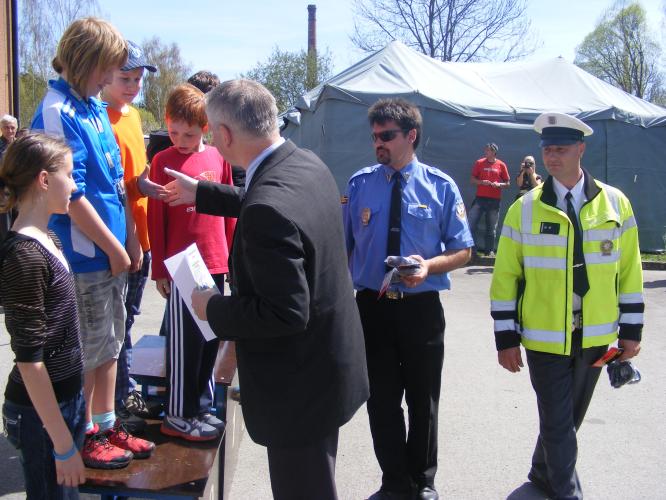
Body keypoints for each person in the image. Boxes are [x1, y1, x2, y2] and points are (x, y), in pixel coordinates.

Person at [162, 79, 369, 500]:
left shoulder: (267, 208)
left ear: (223, 135)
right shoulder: (307, 163)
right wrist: (202, 193)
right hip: (325, 368)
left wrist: (212, 307)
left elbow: (284, 312)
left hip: (297, 387)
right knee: (316, 481)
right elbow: (268, 200)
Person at [490, 112, 644, 500]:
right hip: (543, 339)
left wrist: (631, 331)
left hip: (597, 336)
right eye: (546, 149)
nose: (551, 157)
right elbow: (505, 277)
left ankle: (541, 473)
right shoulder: (523, 209)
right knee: (558, 423)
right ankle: (567, 494)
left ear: (581, 149)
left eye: (560, 149)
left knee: (569, 417)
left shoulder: (616, 204)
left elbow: (629, 271)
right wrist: (505, 336)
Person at [31, 17, 154, 469]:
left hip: (111, 250)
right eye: (106, 67)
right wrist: (114, 247)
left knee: (112, 343)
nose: (110, 78)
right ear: (86, 60)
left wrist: (131, 238)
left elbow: (115, 185)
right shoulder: (56, 111)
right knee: (88, 349)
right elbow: (72, 195)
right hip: (84, 257)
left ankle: (105, 424)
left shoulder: (94, 106)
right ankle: (83, 433)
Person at [343, 98, 473, 500]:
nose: (378, 143)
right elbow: (343, 248)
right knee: (380, 401)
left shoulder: (440, 186)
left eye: (387, 136)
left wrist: (429, 267)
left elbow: (464, 249)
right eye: (374, 137)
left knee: (423, 400)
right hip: (372, 308)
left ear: (410, 136)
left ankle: (423, 481)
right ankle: (394, 482)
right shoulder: (360, 184)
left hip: (421, 310)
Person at [147, 83, 236, 441]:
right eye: (173, 132)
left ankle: (200, 406)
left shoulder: (218, 158)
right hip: (183, 265)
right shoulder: (162, 161)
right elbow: (157, 218)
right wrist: (160, 270)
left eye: (189, 133)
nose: (181, 140)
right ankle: (179, 413)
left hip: (214, 264)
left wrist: (232, 258)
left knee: (208, 338)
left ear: (206, 129)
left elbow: (230, 212)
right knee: (185, 344)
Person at [0, 133, 85, 498]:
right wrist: (63, 445)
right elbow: (31, 362)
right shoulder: (24, 257)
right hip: (40, 415)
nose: (75, 184)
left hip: (66, 402)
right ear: (45, 179)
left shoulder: (51, 238)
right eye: (70, 174)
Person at [102, 40, 165, 429]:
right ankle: (117, 404)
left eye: (138, 79)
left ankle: (120, 398)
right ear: (103, 74)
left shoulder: (133, 116)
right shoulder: (99, 116)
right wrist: (129, 239)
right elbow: (114, 189)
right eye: (125, 78)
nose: (132, 86)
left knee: (127, 320)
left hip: (139, 236)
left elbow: (133, 180)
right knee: (116, 327)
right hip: (120, 239)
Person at [467, 142, 510, 256]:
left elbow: (507, 183)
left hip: (494, 201)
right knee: (471, 224)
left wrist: (499, 184)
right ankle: (471, 251)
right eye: (485, 150)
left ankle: (489, 251)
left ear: (494, 152)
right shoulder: (479, 163)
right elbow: (472, 179)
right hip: (480, 199)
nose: (486, 152)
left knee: (491, 228)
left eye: (489, 150)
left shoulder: (501, 165)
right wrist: (482, 182)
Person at [0, 115, 19, 241]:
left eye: (12, 128)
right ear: (1, 129)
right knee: (5, 226)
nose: (10, 130)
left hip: (18, 188)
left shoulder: (20, 145)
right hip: (3, 190)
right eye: (6, 128)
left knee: (18, 222)